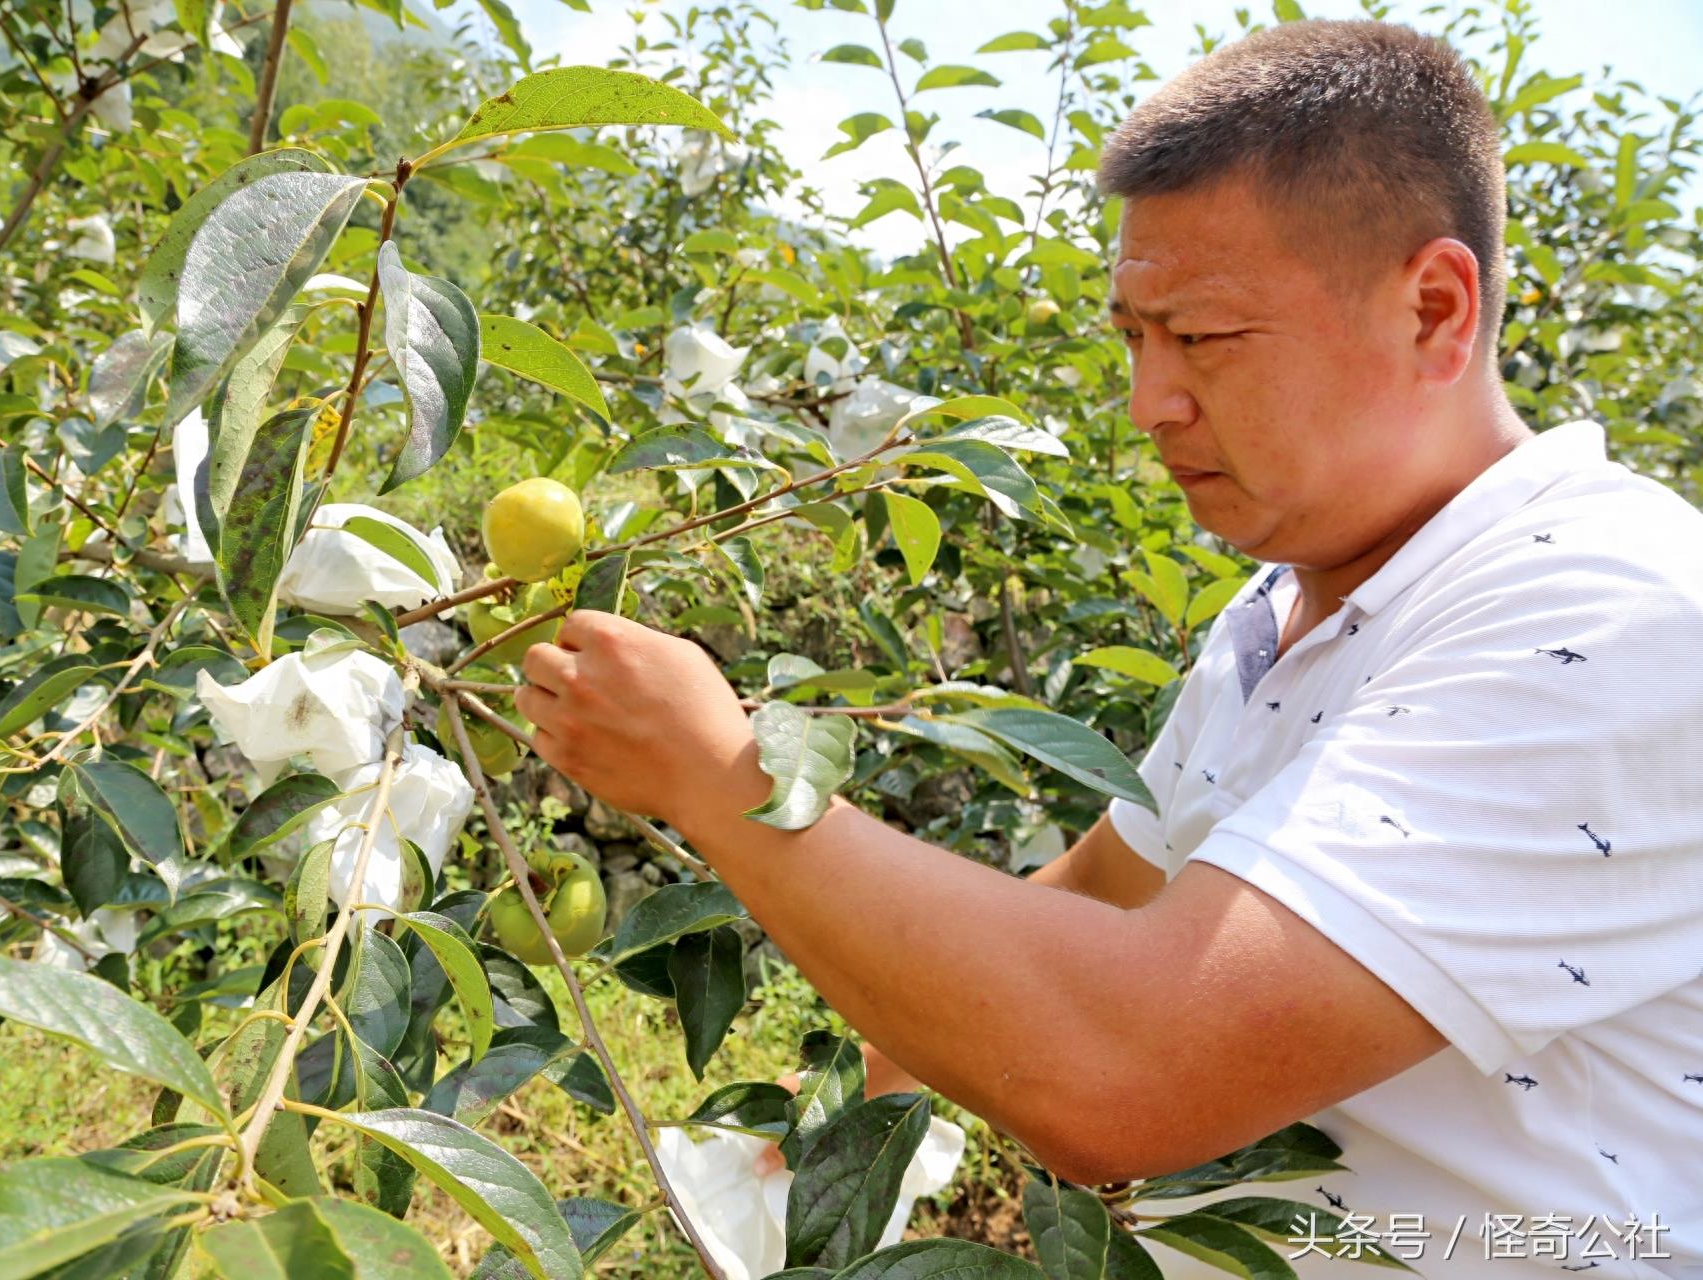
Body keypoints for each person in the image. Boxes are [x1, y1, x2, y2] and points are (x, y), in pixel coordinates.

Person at [514, 18, 1703, 1278]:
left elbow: (1132, 1067)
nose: (1150, 402)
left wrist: (726, 780)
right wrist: (858, 1122)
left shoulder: (1609, 614)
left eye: (1204, 338)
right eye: (1133, 335)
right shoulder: (1281, 611)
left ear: (1433, 308)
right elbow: (1097, 895)